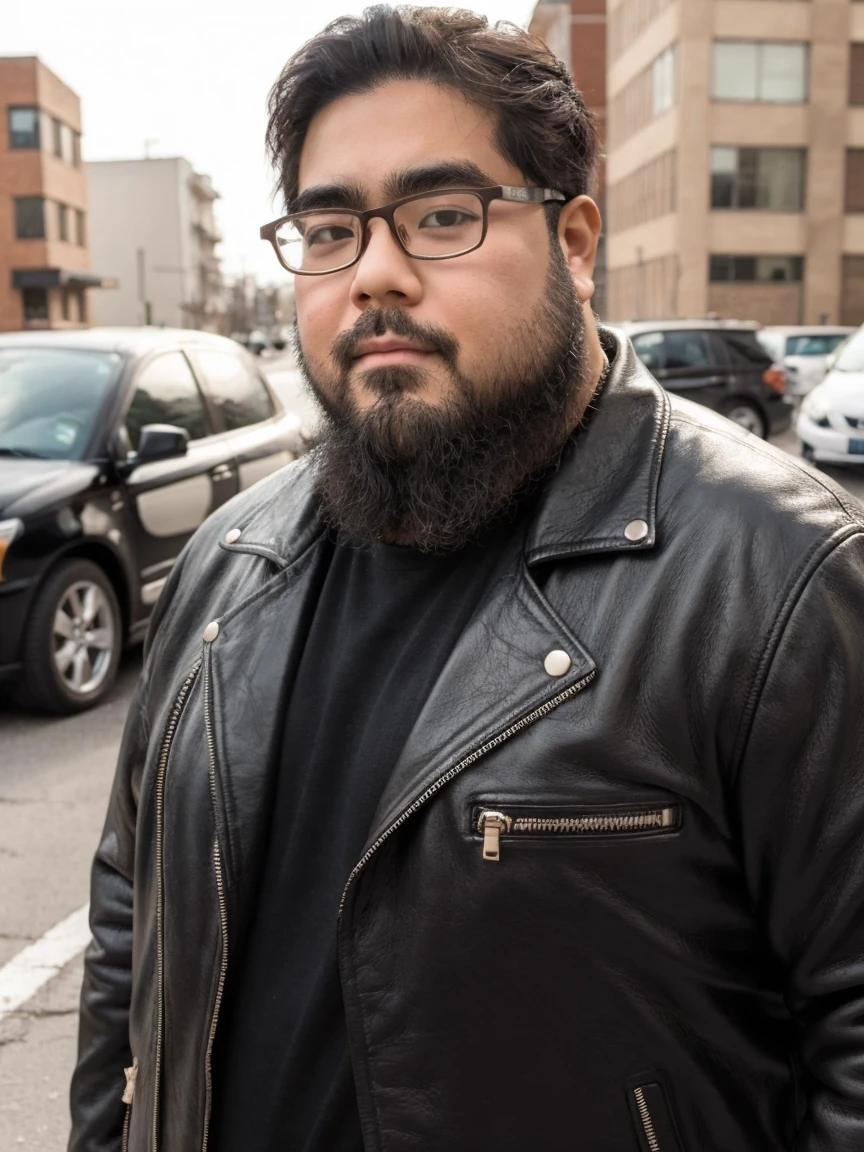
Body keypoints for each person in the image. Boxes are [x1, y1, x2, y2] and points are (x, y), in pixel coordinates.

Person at [69, 7, 864, 1151]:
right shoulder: (225, 566)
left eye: (443, 216)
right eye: (329, 228)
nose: (375, 274)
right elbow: (131, 937)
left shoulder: (775, 575)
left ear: (576, 243)